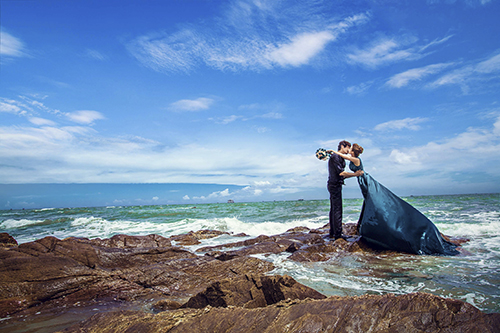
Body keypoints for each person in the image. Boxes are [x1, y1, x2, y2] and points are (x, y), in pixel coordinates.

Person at [330, 143, 459, 255]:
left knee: (375, 201)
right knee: (369, 201)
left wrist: (332, 152)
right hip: (361, 181)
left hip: (365, 180)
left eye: (350, 149)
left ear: (353, 151)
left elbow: (343, 157)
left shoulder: (356, 159)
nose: (348, 151)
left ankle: (383, 223)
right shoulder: (354, 159)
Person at [325, 140, 364, 240]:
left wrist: (352, 175)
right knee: (337, 209)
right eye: (348, 148)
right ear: (342, 146)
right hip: (334, 185)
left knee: (334, 208)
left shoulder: (340, 157)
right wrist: (355, 174)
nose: (348, 150)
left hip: (335, 184)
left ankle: (333, 233)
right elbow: (341, 173)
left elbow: (343, 175)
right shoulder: (336, 157)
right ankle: (338, 235)